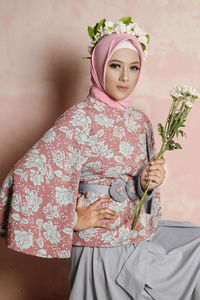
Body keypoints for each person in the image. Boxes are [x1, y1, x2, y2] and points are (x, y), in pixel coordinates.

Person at [0, 17, 200, 300]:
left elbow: (141, 188)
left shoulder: (140, 121)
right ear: (98, 66)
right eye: (115, 66)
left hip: (135, 237)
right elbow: (29, 176)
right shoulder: (79, 119)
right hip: (97, 243)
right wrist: (70, 219)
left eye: (134, 68)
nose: (125, 77)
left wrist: (147, 183)